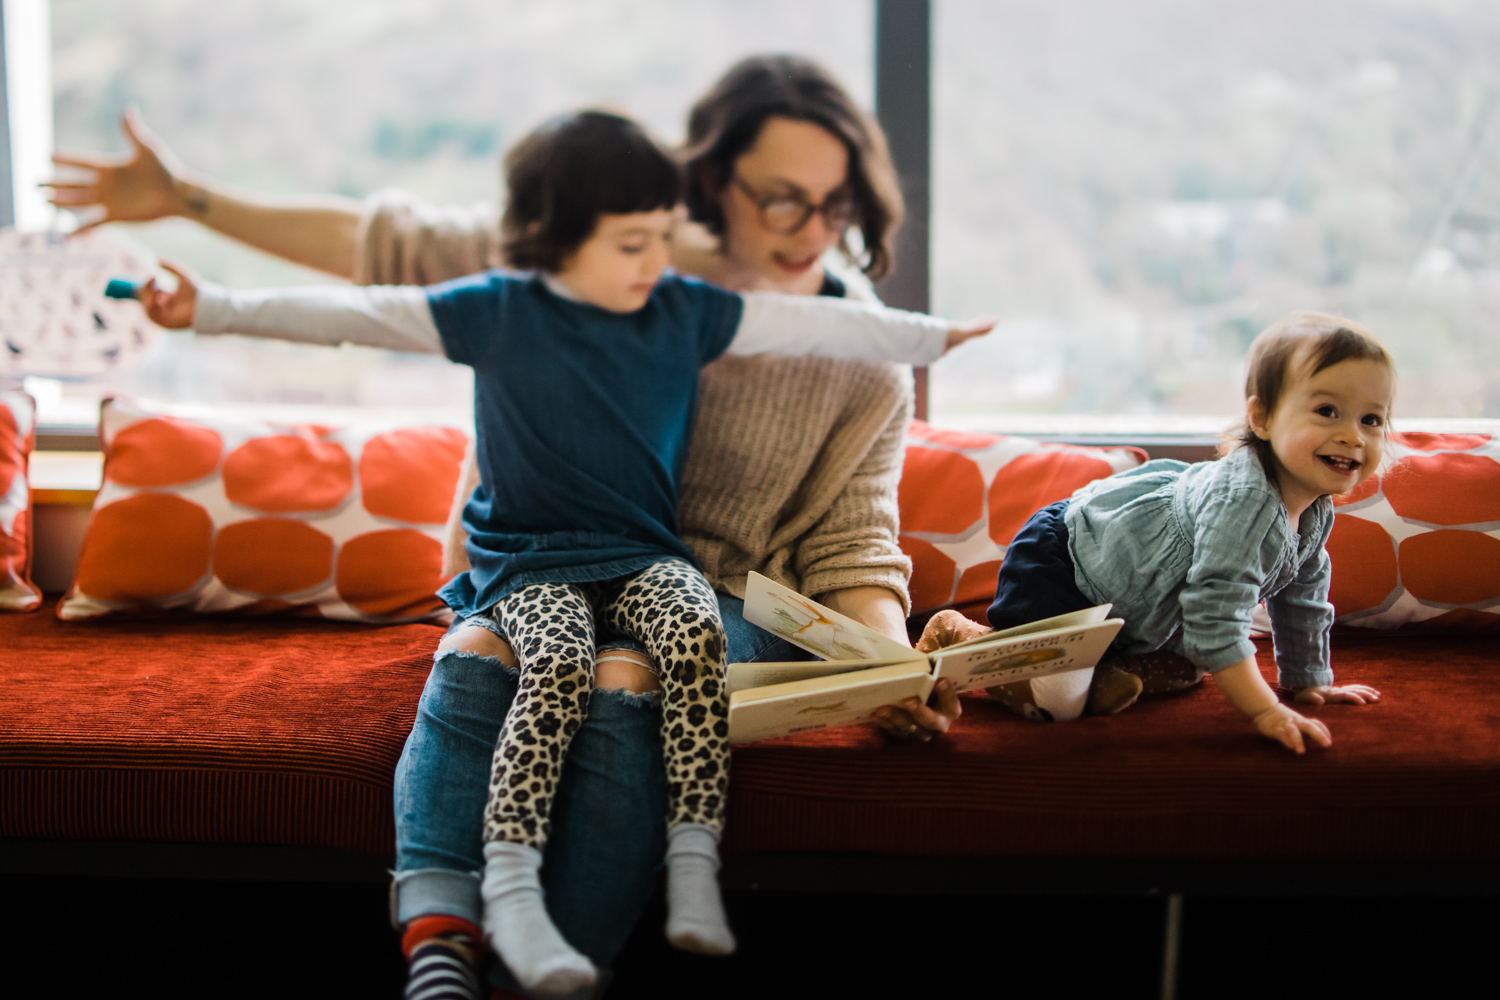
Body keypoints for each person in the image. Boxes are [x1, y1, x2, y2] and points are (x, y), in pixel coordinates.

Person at [48, 55, 966, 997]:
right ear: (712, 183)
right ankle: (443, 944)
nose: (812, 231)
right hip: (538, 569)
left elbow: (855, 542)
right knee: (482, 650)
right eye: (781, 200)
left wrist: (889, 666)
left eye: (835, 204)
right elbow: (389, 252)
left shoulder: (861, 358)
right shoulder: (600, 256)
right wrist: (186, 200)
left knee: (630, 670)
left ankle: (539, 979)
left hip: (716, 599)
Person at [922, 311, 1386, 748]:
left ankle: (1108, 667)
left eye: (1372, 419)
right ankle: (960, 633)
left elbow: (1302, 596)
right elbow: (1215, 619)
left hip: (1133, 609)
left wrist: (1308, 682)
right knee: (1056, 703)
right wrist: (1267, 712)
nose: (1353, 436)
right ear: (1262, 418)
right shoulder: (1244, 503)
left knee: (1196, 664)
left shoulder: (1315, 507)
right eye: (1327, 411)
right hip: (1065, 564)